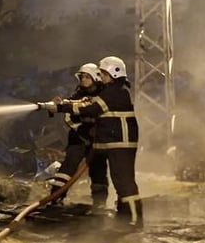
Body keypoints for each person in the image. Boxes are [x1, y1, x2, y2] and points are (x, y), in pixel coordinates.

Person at [56, 55, 141, 229]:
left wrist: (62, 107)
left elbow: (92, 109)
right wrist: (65, 105)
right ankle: (125, 219)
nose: (100, 77)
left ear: (113, 73)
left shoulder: (116, 91)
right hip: (112, 142)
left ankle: (134, 220)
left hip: (120, 143)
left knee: (124, 182)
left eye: (103, 74)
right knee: (120, 181)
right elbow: (87, 104)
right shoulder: (110, 90)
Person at [44, 63, 109, 208]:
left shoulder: (104, 95)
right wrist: (82, 130)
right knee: (68, 167)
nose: (83, 80)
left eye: (87, 77)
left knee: (98, 171)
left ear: (96, 78)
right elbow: (69, 115)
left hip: (98, 140)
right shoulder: (78, 95)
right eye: (82, 77)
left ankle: (100, 204)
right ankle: (56, 198)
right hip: (78, 138)